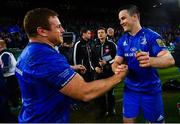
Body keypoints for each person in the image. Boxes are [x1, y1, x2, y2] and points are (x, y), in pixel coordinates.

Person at [15, 8, 128, 123]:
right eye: (58, 27)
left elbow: (44, 73)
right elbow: (85, 92)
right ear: (42, 31)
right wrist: (117, 77)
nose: (63, 30)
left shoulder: (28, 52)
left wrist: (72, 67)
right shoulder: (45, 57)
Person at [112, 4, 174, 123]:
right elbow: (116, 63)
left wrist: (151, 60)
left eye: (123, 18)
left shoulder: (152, 36)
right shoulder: (122, 41)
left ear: (134, 16)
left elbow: (169, 59)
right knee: (128, 121)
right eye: (120, 19)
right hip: (130, 90)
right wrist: (117, 69)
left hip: (150, 91)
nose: (121, 22)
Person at [93, 27, 117, 117]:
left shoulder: (111, 44)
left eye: (102, 32)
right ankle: (103, 110)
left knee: (110, 92)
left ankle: (111, 109)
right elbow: (92, 58)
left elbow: (117, 58)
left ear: (106, 34)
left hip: (109, 72)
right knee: (100, 92)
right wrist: (95, 67)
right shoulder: (95, 45)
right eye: (99, 32)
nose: (100, 34)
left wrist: (107, 62)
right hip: (99, 72)